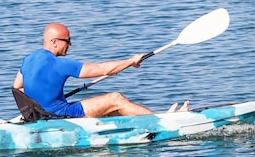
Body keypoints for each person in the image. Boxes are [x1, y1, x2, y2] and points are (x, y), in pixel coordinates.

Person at [13, 22, 188, 118]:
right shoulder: (60, 64)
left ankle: (146, 121)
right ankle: (165, 121)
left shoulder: (28, 59)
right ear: (54, 42)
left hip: (42, 115)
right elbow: (103, 69)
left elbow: (17, 88)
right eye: (68, 40)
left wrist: (40, 106)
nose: (70, 44)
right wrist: (131, 61)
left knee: (111, 109)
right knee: (115, 98)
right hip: (61, 114)